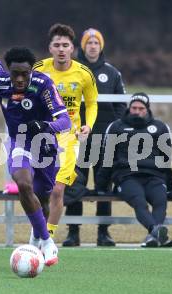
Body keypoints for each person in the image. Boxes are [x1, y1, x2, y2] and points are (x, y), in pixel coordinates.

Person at [0, 47, 71, 266]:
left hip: (44, 145)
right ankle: (47, 240)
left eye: (25, 73)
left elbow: (65, 122)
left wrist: (45, 126)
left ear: (31, 70)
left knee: (42, 197)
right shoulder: (0, 81)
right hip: (19, 142)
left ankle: (36, 237)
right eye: (15, 73)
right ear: (9, 71)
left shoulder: (43, 85)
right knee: (24, 184)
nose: (20, 78)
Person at [32, 23, 98, 242]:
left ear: (72, 48)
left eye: (65, 45)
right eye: (57, 45)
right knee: (40, 191)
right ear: (50, 48)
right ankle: (38, 231)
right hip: (42, 137)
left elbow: (91, 103)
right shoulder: (39, 69)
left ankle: (47, 237)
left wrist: (88, 125)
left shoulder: (83, 73)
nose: (61, 49)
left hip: (69, 137)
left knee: (58, 190)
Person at [63, 28, 126, 247]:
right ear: (82, 46)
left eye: (96, 43)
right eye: (88, 43)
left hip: (104, 139)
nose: (92, 46)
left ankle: (103, 231)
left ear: (101, 46)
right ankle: (73, 231)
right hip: (78, 137)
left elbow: (121, 106)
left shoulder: (112, 73)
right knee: (74, 182)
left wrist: (113, 129)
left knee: (104, 185)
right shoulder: (75, 70)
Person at [96, 93, 172, 247]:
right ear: (129, 108)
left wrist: (171, 188)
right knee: (139, 202)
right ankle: (155, 231)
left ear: (147, 109)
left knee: (161, 201)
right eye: (134, 107)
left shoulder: (160, 127)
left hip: (154, 176)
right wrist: (100, 186)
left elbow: (166, 160)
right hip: (126, 176)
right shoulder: (116, 126)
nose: (137, 111)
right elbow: (107, 158)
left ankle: (153, 237)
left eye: (141, 108)